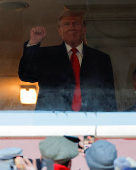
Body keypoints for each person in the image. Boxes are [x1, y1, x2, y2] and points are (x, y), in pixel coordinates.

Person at [18, 10, 117, 112]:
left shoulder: (101, 59)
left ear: (84, 29)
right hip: (53, 120)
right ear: (60, 31)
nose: (71, 27)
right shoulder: (47, 56)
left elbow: (109, 96)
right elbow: (26, 75)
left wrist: (111, 123)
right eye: (66, 24)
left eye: (75, 23)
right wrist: (33, 43)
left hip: (91, 121)